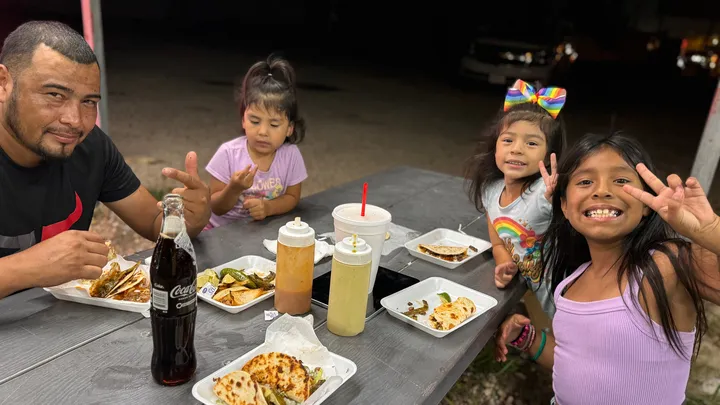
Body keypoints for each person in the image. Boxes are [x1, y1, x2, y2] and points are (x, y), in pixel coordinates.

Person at [495, 133, 720, 405]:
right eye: (585, 181)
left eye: (621, 180)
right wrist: (526, 339)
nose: (601, 190)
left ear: (647, 204)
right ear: (564, 206)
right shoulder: (570, 284)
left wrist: (711, 232)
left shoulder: (664, 267)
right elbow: (576, 362)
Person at [0, 21, 211, 299]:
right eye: (54, 95)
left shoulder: (90, 147)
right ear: (4, 84)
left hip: (65, 330)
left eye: (88, 102)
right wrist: (24, 268)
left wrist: (190, 217)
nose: (74, 120)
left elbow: (153, 222)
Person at [465, 79, 567, 319]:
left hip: (575, 299)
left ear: (549, 153)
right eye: (508, 140)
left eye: (532, 143)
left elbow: (564, 205)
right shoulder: (491, 190)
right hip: (546, 303)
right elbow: (500, 242)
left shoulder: (545, 192)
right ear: (495, 146)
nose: (517, 149)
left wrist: (561, 191)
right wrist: (503, 266)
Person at [205, 55, 307, 228]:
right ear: (243, 120)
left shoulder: (291, 155)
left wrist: (268, 208)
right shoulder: (228, 153)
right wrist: (234, 189)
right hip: (219, 233)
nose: (262, 132)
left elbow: (292, 197)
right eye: (254, 121)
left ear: (289, 128)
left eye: (274, 124)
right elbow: (215, 207)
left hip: (263, 230)